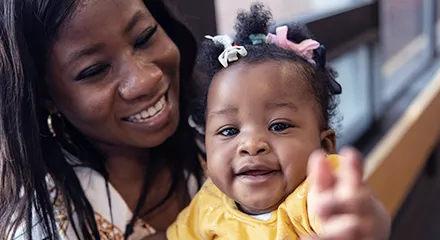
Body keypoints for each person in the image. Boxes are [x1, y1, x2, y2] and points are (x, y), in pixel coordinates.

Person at [0, 0, 389, 239]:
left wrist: (366, 224)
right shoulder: (46, 227)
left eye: (144, 36)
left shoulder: (215, 149)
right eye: (94, 70)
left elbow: (353, 215)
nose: (147, 78)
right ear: (45, 96)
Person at [167, 4, 390, 240]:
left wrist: (365, 224)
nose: (252, 145)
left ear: (323, 146)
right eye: (229, 130)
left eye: (279, 126)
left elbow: (351, 214)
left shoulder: (312, 193)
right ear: (206, 158)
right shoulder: (206, 206)